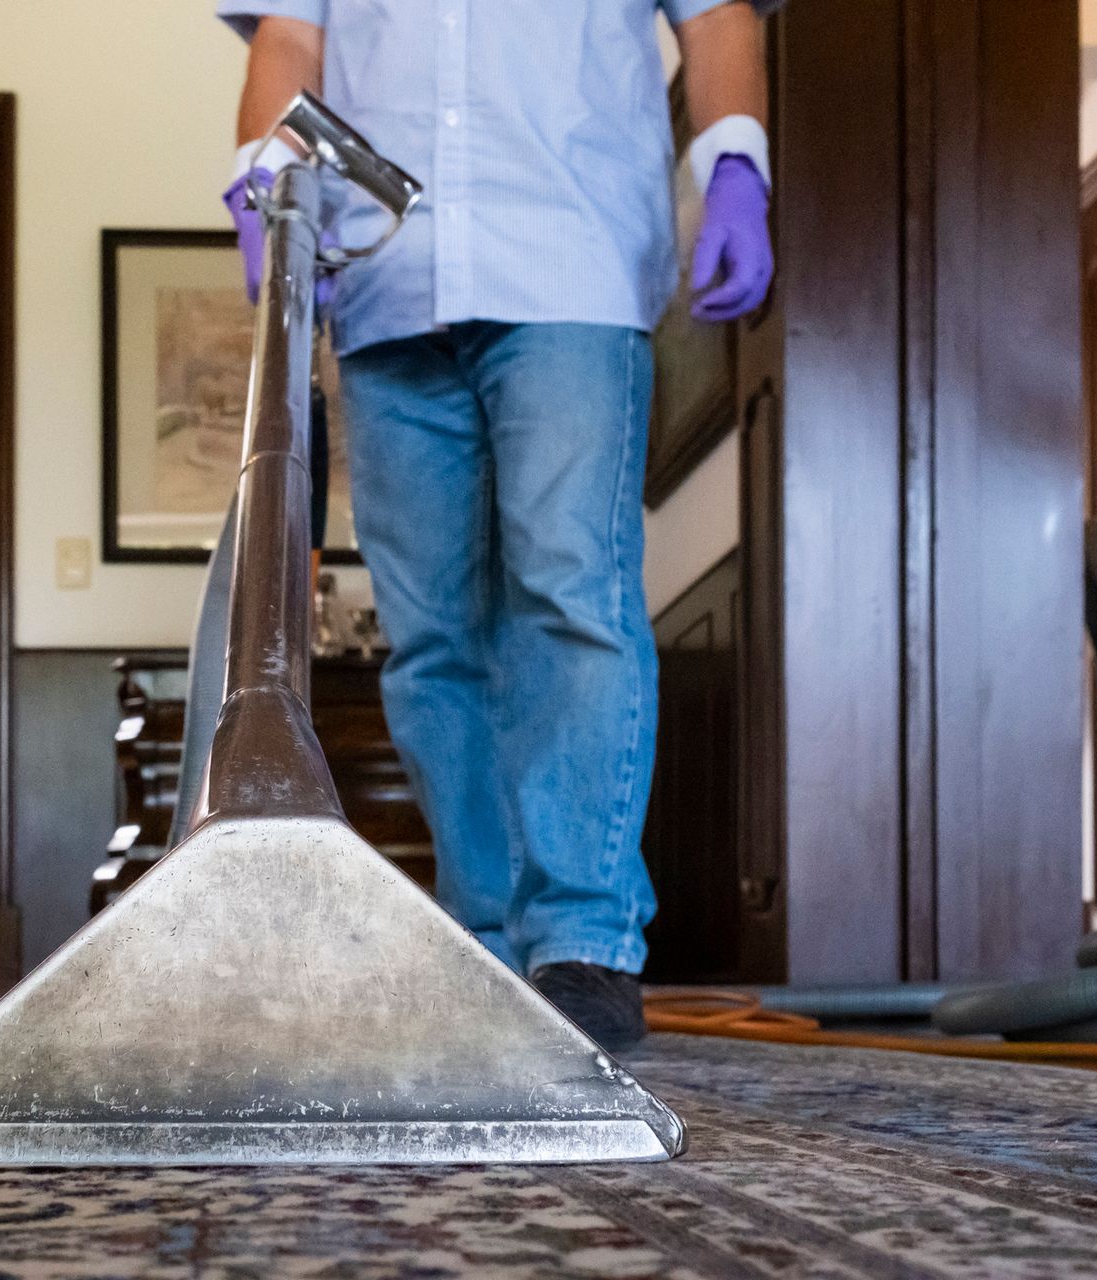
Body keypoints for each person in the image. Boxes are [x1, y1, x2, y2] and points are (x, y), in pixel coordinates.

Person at [217, 0, 775, 1049]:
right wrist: (264, 181)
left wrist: (735, 163)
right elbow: (289, 37)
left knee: (571, 594)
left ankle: (583, 943)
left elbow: (718, 18)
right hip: (384, 276)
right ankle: (483, 943)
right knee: (432, 638)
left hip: (571, 258)